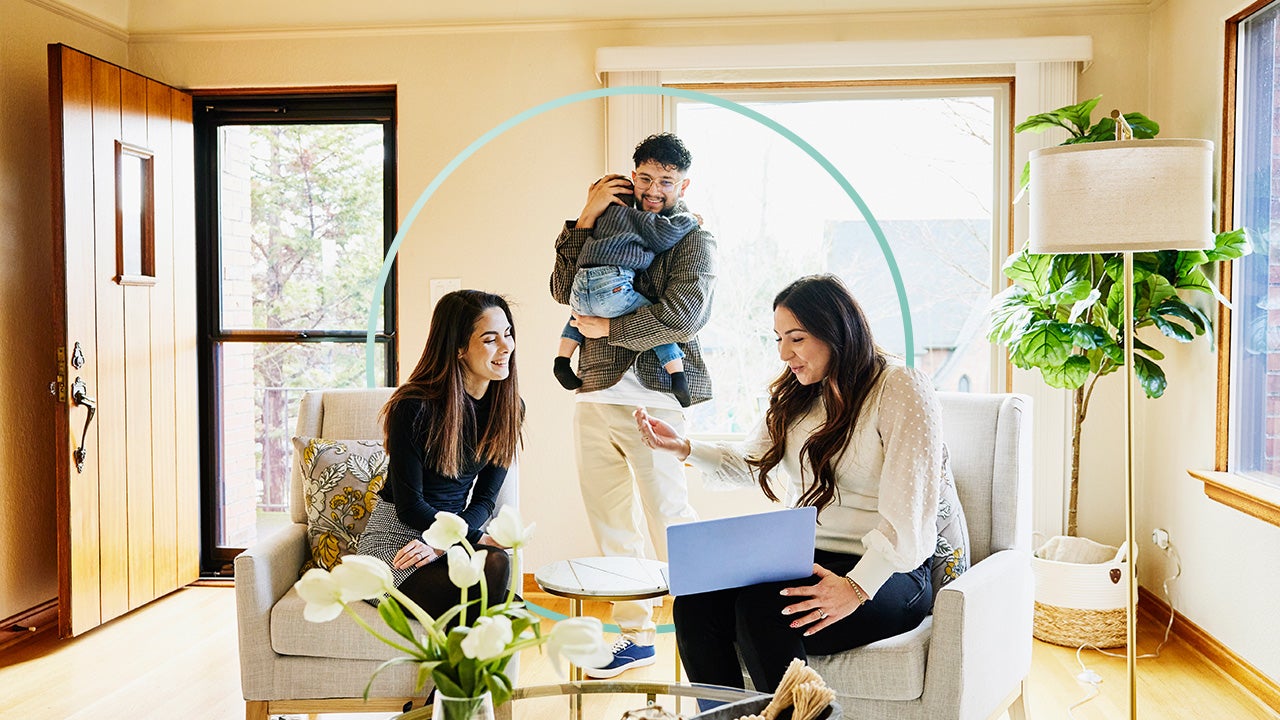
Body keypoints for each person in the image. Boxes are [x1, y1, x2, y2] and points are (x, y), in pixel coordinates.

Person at [634, 274, 940, 700]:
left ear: (837, 330)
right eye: (779, 338)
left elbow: (910, 517)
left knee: (764, 612)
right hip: (808, 556)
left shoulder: (899, 386)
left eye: (795, 338)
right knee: (696, 602)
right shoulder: (799, 393)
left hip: (892, 571)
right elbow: (752, 462)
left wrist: (855, 587)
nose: (784, 353)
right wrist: (683, 447)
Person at [549, 132, 716, 677]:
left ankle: (707, 633)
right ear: (633, 175)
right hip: (595, 395)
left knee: (671, 519)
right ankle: (637, 637)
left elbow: (684, 316)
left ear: (682, 185)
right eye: (645, 178)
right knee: (612, 524)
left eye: (665, 182)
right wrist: (582, 218)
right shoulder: (605, 221)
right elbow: (561, 290)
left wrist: (611, 328)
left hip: (658, 401)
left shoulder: (695, 238)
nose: (653, 190)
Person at [356, 289, 523, 624]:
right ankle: (462, 676)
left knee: (497, 565)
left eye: (507, 334)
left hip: (448, 536)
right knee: (506, 610)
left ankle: (448, 678)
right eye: (490, 339)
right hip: (396, 540)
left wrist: (446, 545)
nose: (506, 347)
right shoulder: (413, 407)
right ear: (459, 348)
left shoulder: (509, 409)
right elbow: (410, 505)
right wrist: (464, 540)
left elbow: (485, 501)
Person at [553, 191, 700, 407]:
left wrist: (587, 214)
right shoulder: (633, 217)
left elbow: (564, 293)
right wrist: (692, 219)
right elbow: (668, 232)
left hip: (581, 285)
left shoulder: (595, 224)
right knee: (653, 318)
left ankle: (562, 361)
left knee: (577, 317)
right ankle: (677, 376)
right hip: (611, 285)